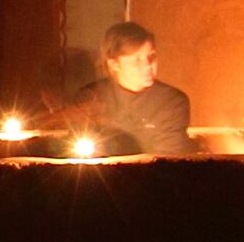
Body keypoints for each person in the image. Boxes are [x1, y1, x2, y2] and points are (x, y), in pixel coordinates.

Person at [55, 20, 192, 156]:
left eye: (151, 56)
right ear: (114, 64)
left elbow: (170, 157)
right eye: (136, 60)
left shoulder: (171, 102)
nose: (148, 65)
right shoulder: (91, 97)